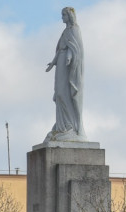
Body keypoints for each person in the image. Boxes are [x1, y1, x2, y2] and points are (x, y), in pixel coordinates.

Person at [45, 6, 85, 141]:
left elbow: (75, 48)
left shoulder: (74, 30)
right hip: (61, 64)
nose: (62, 17)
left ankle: (70, 126)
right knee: (59, 93)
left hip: (68, 66)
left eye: (64, 15)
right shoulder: (65, 31)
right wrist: (53, 62)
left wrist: (69, 56)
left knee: (64, 93)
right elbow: (61, 49)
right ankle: (61, 125)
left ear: (70, 16)